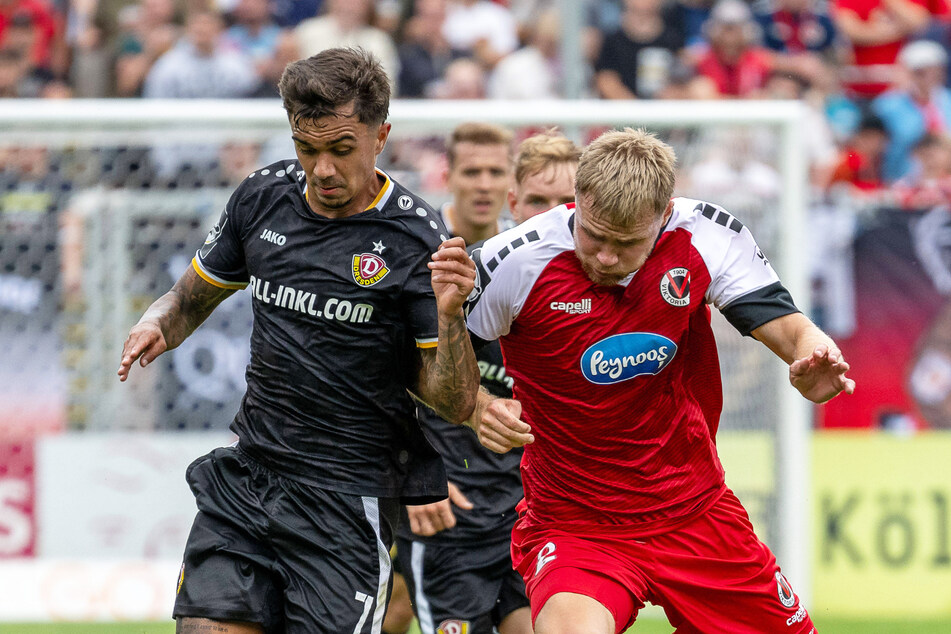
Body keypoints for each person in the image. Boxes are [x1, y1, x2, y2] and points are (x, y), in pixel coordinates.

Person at [117, 47, 480, 634]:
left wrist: (451, 318)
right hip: (251, 477)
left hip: (345, 501)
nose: (323, 169)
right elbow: (186, 301)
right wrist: (157, 322)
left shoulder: (417, 238)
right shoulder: (263, 197)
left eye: (341, 150)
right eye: (306, 149)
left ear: (380, 135)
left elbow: (454, 401)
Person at [464, 128, 855, 634]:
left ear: (664, 216)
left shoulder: (706, 235)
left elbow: (791, 327)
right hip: (577, 523)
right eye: (594, 236)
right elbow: (422, 361)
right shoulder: (512, 261)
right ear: (577, 204)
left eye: (626, 244)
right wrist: (475, 405)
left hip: (694, 511)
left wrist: (813, 354)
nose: (605, 257)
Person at [391, 121, 533, 634]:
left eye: (495, 172)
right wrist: (415, 471)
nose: (483, 184)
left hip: (519, 504)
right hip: (445, 497)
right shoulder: (415, 252)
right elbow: (382, 371)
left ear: (510, 184)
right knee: (393, 608)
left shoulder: (522, 260)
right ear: (449, 175)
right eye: (471, 171)